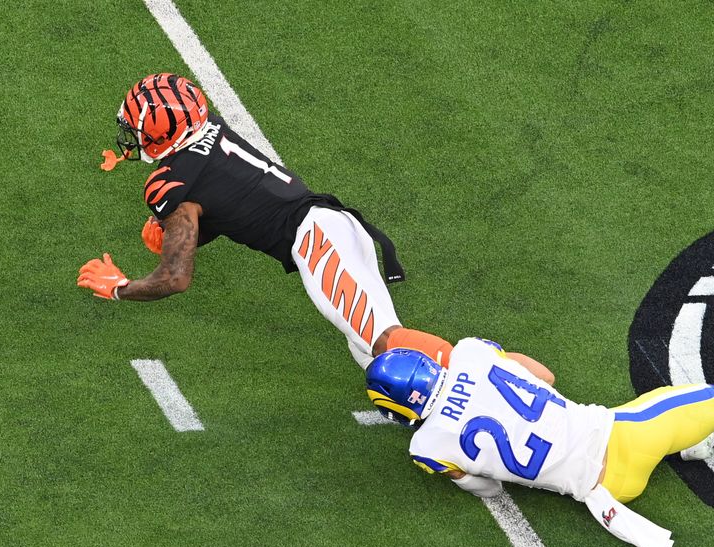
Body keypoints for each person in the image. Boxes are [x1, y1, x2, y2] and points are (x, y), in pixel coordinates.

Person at [365, 338, 714, 547]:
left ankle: (694, 446)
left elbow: (487, 490)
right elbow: (544, 376)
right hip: (624, 437)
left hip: (604, 490)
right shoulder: (471, 356)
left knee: (667, 413)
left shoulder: (426, 446)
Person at [75, 73, 447, 368]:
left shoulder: (169, 184)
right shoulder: (212, 127)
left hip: (317, 242)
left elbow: (175, 278)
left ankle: (483, 373)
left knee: (384, 341)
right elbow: (228, 201)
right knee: (375, 357)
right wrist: (185, 232)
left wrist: (120, 288)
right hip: (332, 227)